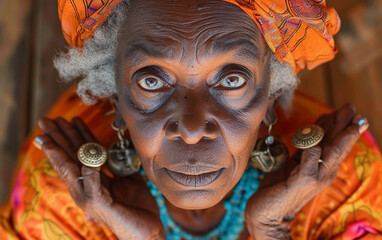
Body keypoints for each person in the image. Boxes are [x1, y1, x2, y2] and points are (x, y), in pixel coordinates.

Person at [1, 0, 382, 239]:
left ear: (271, 96)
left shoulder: (342, 184)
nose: (193, 128)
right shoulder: (56, 195)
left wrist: (271, 230)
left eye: (231, 79)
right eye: (152, 79)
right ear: (115, 100)